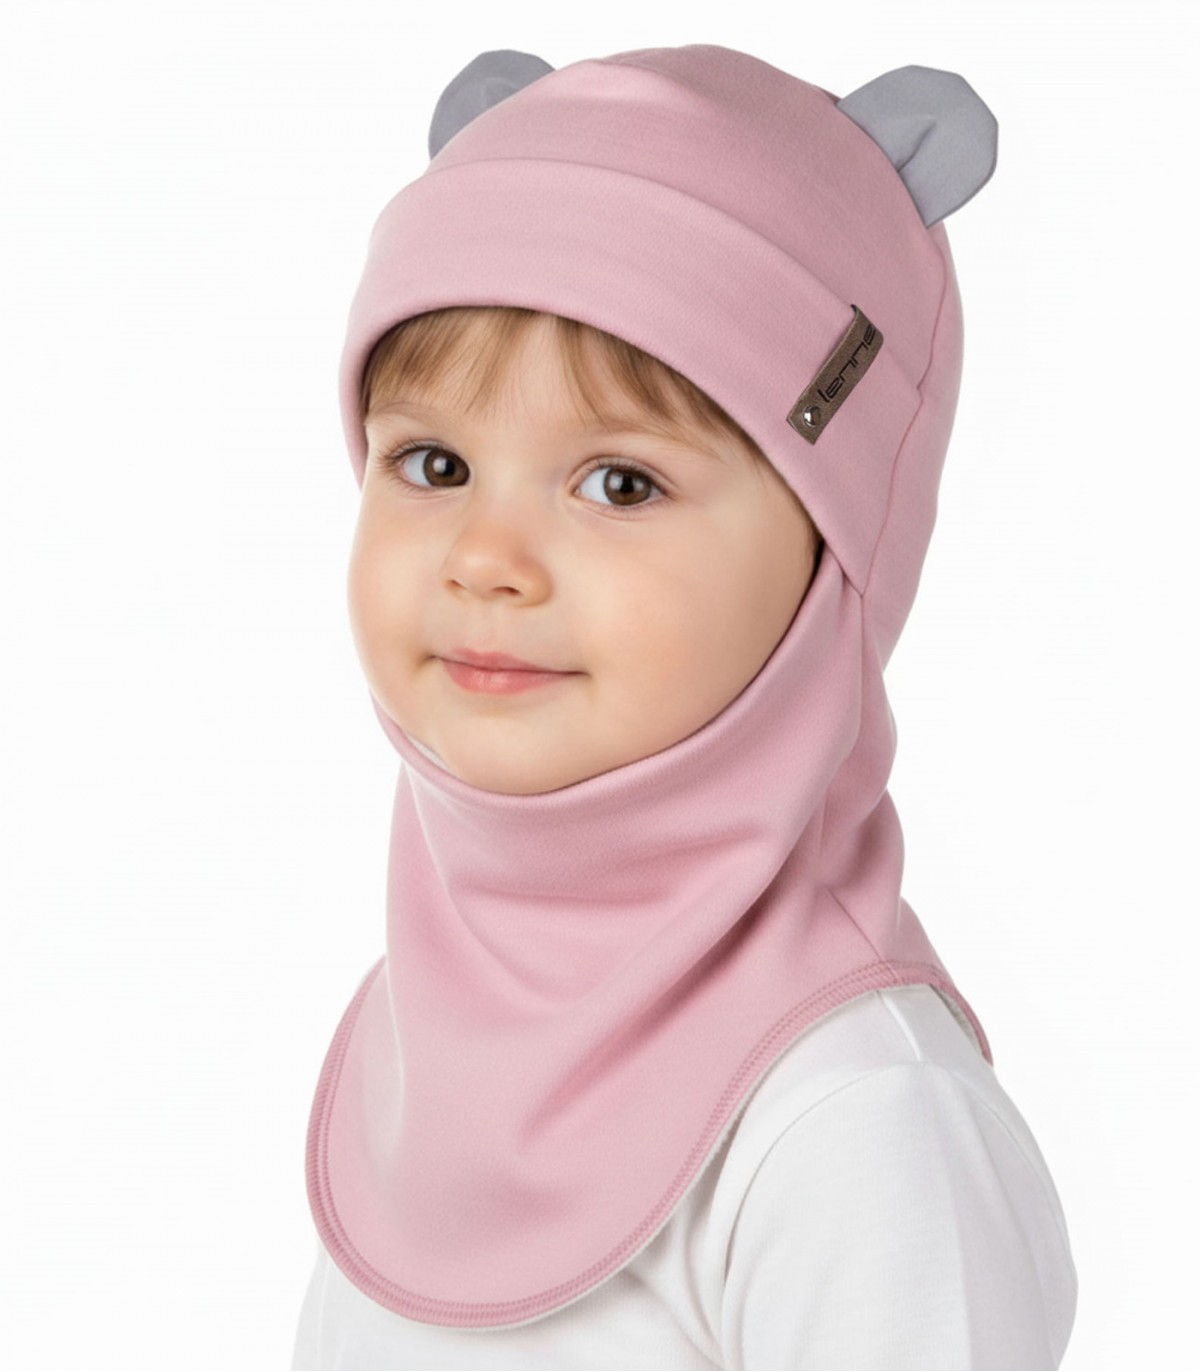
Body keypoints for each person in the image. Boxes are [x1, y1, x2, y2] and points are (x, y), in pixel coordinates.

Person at [293, 44, 1078, 1370]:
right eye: (431, 463)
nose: (487, 558)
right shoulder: (423, 1035)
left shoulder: (854, 1122)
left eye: (621, 484)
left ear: (836, 553)